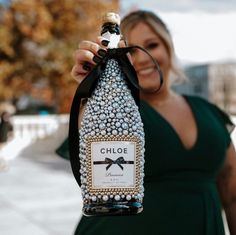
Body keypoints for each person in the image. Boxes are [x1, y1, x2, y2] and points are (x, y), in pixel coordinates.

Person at [65, 10, 236, 234]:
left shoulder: (209, 111)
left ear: (168, 46)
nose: (143, 58)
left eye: (151, 45)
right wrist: (93, 92)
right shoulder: (117, 112)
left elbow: (232, 192)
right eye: (130, 51)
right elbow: (88, 143)